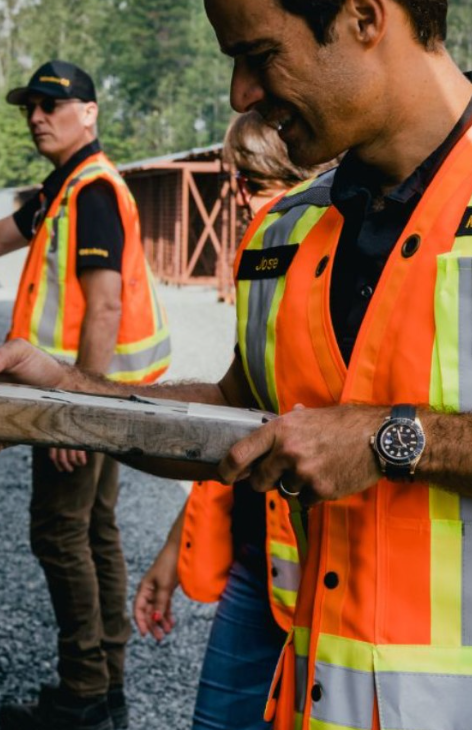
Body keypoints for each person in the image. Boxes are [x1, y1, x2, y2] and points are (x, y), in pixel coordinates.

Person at [0, 2, 472, 728]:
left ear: (365, 16)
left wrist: (397, 439)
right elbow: (238, 413)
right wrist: (71, 396)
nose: (240, 94)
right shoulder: (288, 230)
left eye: (261, 55)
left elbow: (373, 436)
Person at [0, 61, 172, 730]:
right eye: (32, 105)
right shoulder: (65, 187)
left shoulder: (94, 193)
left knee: (59, 533)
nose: (38, 115)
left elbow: (103, 309)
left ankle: (85, 695)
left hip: (81, 401)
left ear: (91, 111)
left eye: (54, 103)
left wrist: (75, 417)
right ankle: (104, 690)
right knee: (95, 531)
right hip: (101, 399)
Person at [133, 111, 335, 730]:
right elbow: (242, 413)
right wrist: (175, 546)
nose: (246, 197)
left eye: (261, 179)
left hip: (328, 570)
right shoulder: (267, 258)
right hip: (261, 558)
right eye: (239, 181)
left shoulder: (344, 256)